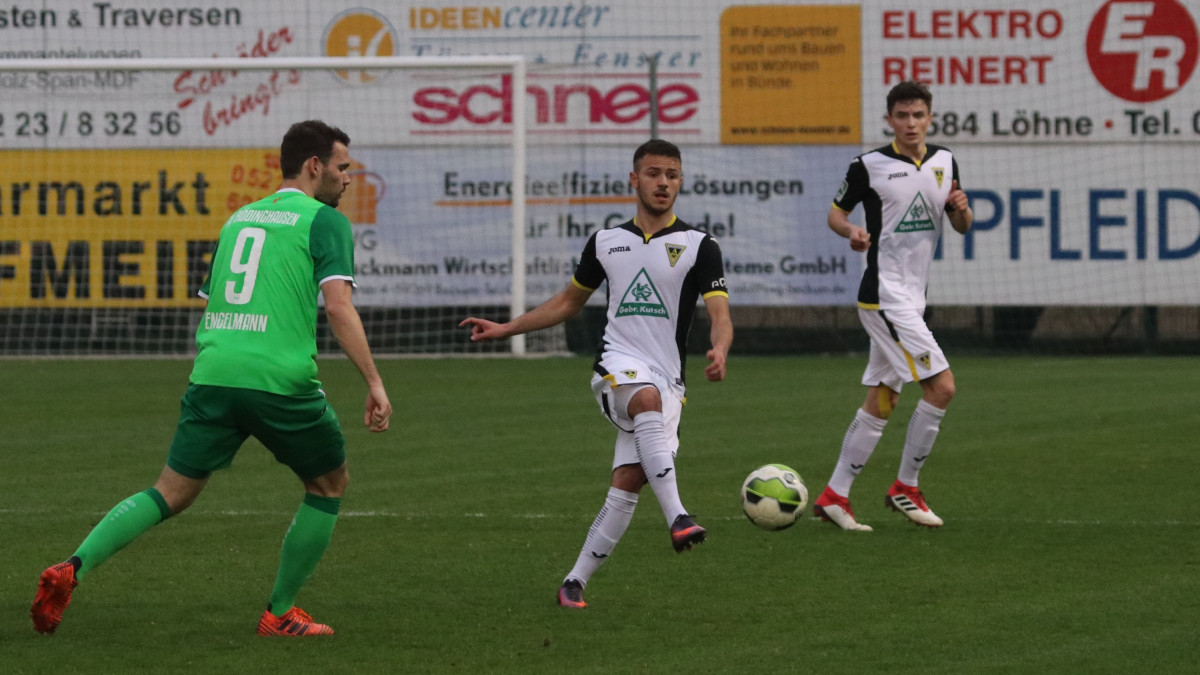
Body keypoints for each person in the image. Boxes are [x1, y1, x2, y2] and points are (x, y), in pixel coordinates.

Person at [30, 120, 393, 637]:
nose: (348, 178)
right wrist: (374, 382)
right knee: (329, 484)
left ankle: (73, 566)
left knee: (170, 492)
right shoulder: (325, 221)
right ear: (315, 166)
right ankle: (280, 613)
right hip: (277, 379)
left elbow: (215, 299)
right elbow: (338, 307)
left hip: (214, 372)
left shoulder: (239, 218)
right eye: (343, 167)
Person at [460, 139, 732, 609]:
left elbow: (721, 314)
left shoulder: (699, 246)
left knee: (628, 481)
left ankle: (573, 582)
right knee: (644, 398)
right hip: (616, 367)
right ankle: (679, 516)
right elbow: (568, 302)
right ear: (634, 179)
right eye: (653, 173)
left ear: (681, 181)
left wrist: (721, 348)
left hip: (670, 380)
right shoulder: (606, 242)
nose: (663, 182)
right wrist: (506, 328)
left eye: (672, 174)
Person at [813, 80, 972, 532]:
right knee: (942, 388)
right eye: (902, 116)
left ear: (930, 118)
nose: (910, 123)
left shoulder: (945, 161)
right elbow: (836, 214)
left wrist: (960, 208)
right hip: (883, 295)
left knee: (883, 399)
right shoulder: (868, 166)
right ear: (890, 120)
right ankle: (906, 486)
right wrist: (851, 232)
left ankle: (834, 496)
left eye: (918, 115)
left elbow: (962, 225)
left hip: (912, 298)